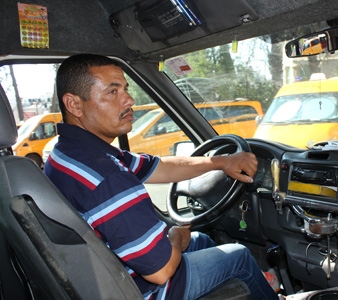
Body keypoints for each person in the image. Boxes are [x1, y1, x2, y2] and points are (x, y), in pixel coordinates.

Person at [44, 54, 280, 300]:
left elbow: (162, 167)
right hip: (141, 291)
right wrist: (174, 236)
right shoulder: (107, 177)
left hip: (107, 276)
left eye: (125, 89)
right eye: (112, 92)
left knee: (199, 239)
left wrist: (221, 162)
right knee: (239, 257)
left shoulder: (68, 154)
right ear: (74, 104)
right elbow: (160, 270)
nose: (129, 99)